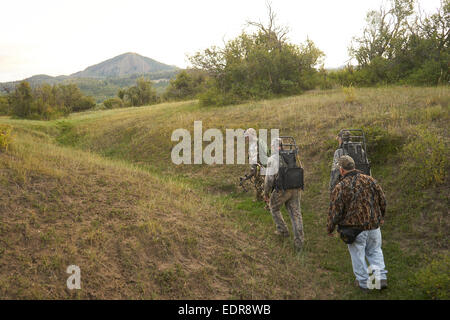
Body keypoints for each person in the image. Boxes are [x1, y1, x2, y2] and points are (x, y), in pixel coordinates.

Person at [328, 155, 388, 291]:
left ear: (341, 170)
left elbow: (334, 211)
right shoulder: (370, 180)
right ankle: (381, 278)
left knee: (357, 254)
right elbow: (382, 200)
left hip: (354, 229)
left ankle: (363, 283)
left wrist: (330, 228)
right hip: (373, 225)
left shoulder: (340, 186)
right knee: (375, 250)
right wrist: (381, 216)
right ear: (354, 166)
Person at [264, 138, 304, 252]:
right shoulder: (293, 155)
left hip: (282, 190)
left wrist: (266, 193)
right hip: (296, 187)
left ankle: (283, 230)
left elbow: (269, 180)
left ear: (273, 147)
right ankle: (299, 243)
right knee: (296, 214)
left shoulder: (272, 159)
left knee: (273, 207)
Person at [244, 128, 268, 201]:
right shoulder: (251, 144)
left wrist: (263, 164)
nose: (246, 138)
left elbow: (266, 153)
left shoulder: (259, 142)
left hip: (261, 165)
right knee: (257, 182)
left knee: (263, 183)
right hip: (255, 166)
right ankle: (259, 198)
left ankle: (266, 199)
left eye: (247, 136)